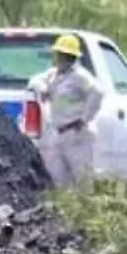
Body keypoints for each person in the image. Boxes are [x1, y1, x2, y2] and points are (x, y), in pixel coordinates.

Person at [28, 32, 104, 187]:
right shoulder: (53, 75)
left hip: (77, 133)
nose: (60, 59)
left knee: (82, 179)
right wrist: (42, 89)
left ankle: (84, 208)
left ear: (71, 57)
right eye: (59, 55)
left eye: (64, 55)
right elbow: (35, 81)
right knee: (58, 179)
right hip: (58, 133)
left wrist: (84, 118)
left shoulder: (80, 76)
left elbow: (98, 93)